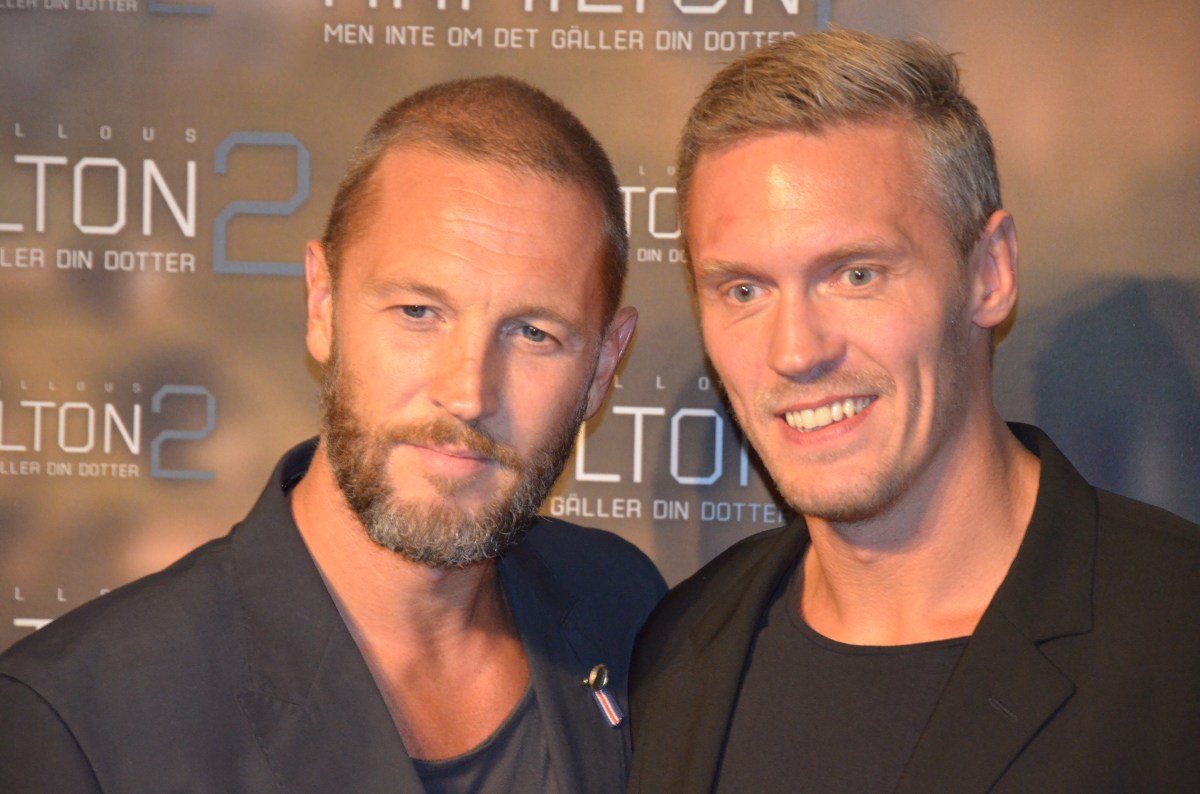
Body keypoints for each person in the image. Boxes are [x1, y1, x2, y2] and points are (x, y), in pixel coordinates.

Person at [0, 76, 665, 793]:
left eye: (533, 333)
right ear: (322, 305)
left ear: (603, 367)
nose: (468, 393)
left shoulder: (627, 613)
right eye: (417, 312)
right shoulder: (77, 722)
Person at [628, 29, 1200, 793]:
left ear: (990, 273)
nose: (795, 351)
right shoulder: (679, 649)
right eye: (745, 290)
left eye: (856, 275)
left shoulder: (1178, 634)